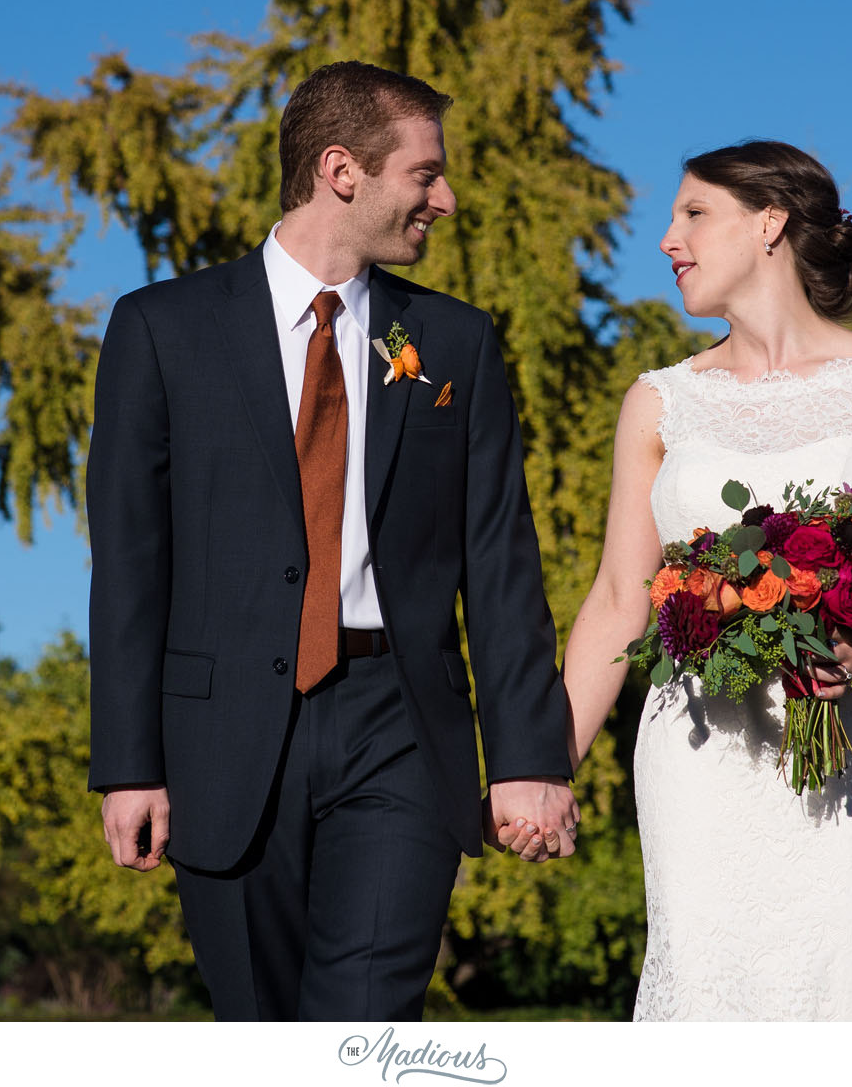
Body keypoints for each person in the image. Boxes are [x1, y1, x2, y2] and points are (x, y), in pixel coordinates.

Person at [86, 60, 580, 1021]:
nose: (446, 197)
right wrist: (127, 761)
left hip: (400, 724)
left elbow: (500, 560)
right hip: (221, 738)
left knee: (366, 1023)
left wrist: (529, 757)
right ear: (341, 170)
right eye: (426, 175)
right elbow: (131, 564)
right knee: (264, 1031)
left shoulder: (455, 343)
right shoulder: (159, 329)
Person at [525, 139, 852, 1020]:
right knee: (704, 984)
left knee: (848, 972)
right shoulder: (658, 401)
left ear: (769, 221)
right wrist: (543, 768)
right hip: (700, 757)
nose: (668, 238)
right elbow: (622, 598)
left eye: (693, 213)